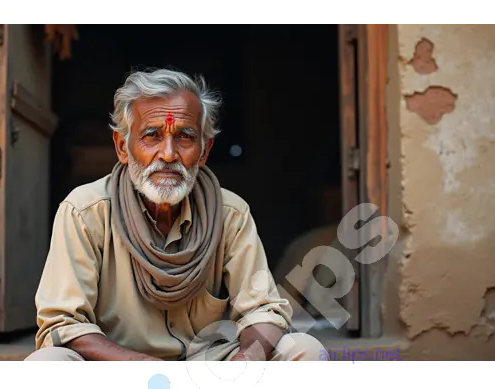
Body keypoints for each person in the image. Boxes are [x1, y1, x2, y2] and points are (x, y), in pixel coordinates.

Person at [24, 69, 327, 362]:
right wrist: (142, 367)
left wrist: (244, 363)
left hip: (210, 365)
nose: (168, 154)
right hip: (114, 365)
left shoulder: (230, 214)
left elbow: (264, 312)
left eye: (184, 137)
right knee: (47, 363)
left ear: (204, 150)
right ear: (122, 147)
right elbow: (63, 324)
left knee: (304, 350)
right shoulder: (85, 212)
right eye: (152, 136)